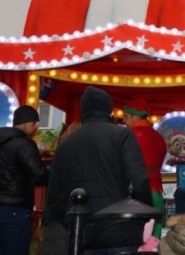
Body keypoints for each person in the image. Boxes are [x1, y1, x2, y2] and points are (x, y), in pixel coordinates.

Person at [44, 86, 152, 254]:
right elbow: (139, 180)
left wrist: (68, 223)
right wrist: (144, 214)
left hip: (82, 231)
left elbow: (55, 194)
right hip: (121, 229)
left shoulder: (65, 144)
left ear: (83, 111)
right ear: (109, 109)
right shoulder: (122, 135)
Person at [0, 105, 49, 255]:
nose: (36, 127)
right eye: (34, 123)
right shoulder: (24, 144)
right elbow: (39, 175)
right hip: (16, 209)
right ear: (25, 123)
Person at [122, 98, 167, 246]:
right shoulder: (159, 138)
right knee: (155, 233)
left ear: (134, 116)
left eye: (126, 116)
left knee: (135, 235)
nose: (124, 120)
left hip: (136, 190)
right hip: (157, 190)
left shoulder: (128, 136)